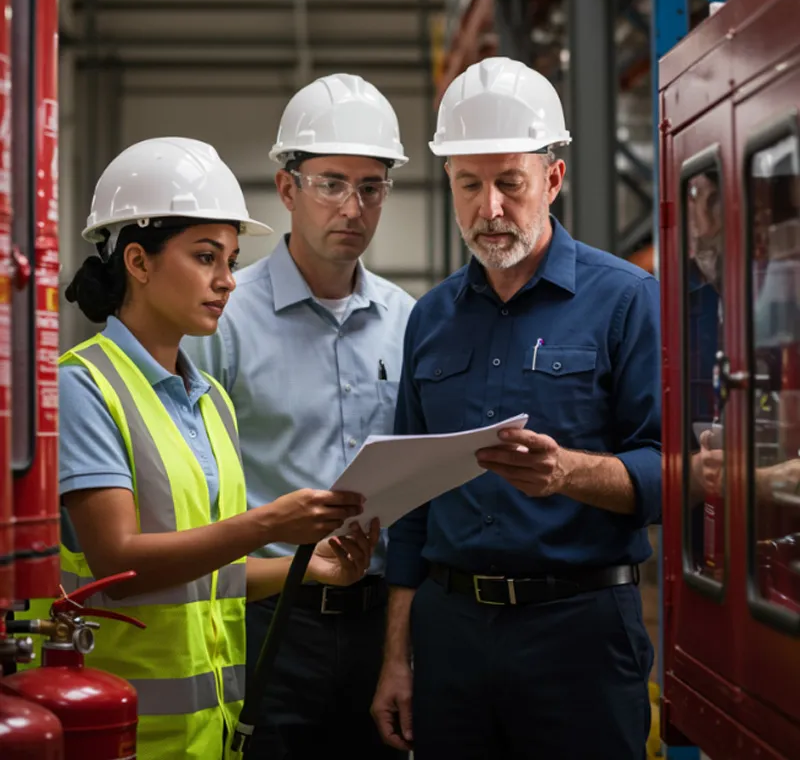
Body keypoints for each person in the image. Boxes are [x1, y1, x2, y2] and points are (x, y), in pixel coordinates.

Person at [370, 57, 662, 759]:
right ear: (449, 181)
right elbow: (409, 504)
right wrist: (397, 657)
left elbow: (667, 472)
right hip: (451, 636)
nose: (490, 209)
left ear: (552, 180)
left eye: (510, 183)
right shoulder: (430, 318)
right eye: (469, 185)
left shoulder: (625, 300)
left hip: (581, 634)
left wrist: (569, 474)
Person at [55, 136, 379, 759]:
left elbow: (210, 579)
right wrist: (270, 524)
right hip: (127, 735)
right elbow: (117, 564)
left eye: (230, 260)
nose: (227, 281)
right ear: (138, 262)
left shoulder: (211, 402)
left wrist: (308, 567)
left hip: (214, 736)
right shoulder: (84, 387)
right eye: (206, 257)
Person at [183, 74, 415, 758]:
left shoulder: (408, 321)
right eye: (331, 184)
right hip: (268, 617)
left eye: (371, 187)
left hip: (377, 621)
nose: (353, 207)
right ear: (287, 190)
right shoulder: (223, 321)